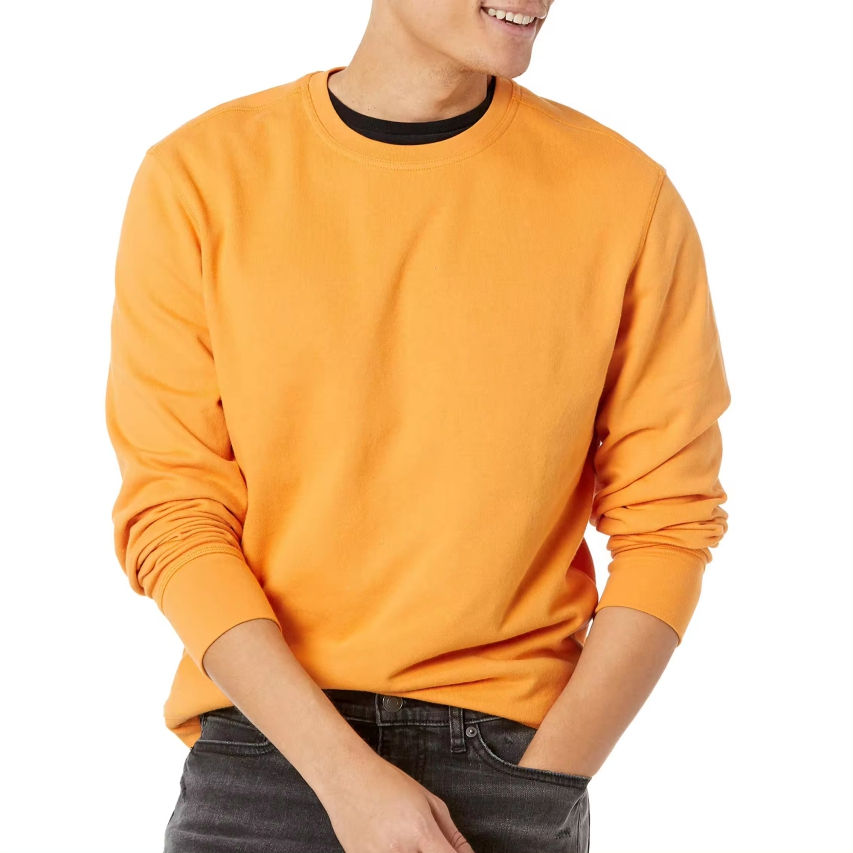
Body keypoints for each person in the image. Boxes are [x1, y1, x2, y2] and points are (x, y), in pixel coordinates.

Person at [104, 1, 732, 851]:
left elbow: (668, 522)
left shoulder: (624, 196)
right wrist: (342, 774)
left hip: (508, 761)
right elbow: (175, 513)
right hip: (266, 749)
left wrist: (546, 781)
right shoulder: (200, 177)